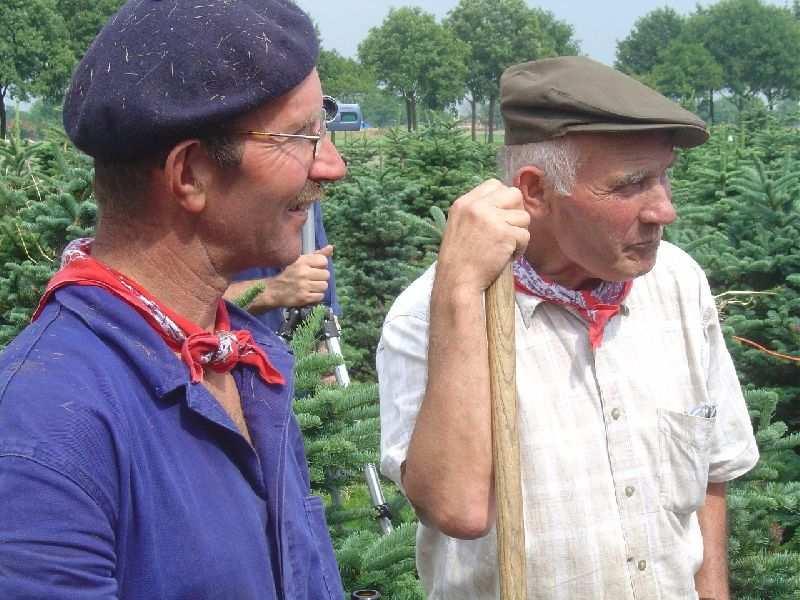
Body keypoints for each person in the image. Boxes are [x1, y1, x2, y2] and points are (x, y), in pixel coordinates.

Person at [0, 1, 347, 598]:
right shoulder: (44, 433)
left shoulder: (240, 360)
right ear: (189, 175)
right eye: (302, 136)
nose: (332, 166)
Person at [378, 56, 759, 600]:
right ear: (534, 190)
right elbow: (455, 509)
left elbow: (711, 476)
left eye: (664, 176)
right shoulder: (434, 313)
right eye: (632, 184)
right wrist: (461, 294)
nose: (664, 210)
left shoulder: (677, 282)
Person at [226, 201, 341, 334]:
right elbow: (197, 306)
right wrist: (273, 291)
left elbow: (320, 307)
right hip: (218, 346)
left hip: (279, 345)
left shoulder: (306, 194)